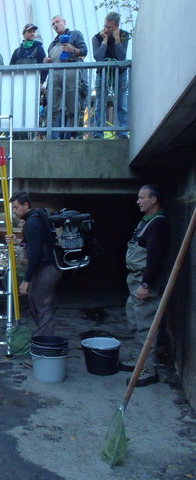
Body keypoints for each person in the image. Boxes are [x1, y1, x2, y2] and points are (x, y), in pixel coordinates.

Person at [122, 185, 169, 387]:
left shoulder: (158, 224)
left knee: (145, 326)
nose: (138, 201)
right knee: (134, 321)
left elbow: (155, 258)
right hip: (135, 279)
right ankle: (138, 361)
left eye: (142, 198)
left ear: (154, 200)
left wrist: (146, 284)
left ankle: (149, 369)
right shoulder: (146, 221)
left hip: (143, 281)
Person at [7, 191, 62, 336]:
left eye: (16, 207)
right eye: (13, 208)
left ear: (26, 205)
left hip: (47, 268)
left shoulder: (32, 222)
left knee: (42, 307)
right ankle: (44, 339)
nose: (14, 211)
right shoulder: (36, 218)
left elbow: (35, 254)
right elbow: (36, 243)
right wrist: (18, 241)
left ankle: (47, 346)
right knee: (33, 302)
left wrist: (26, 280)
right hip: (46, 267)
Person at [44, 15, 87, 140]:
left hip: (71, 71)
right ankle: (51, 137)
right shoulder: (52, 44)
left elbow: (84, 51)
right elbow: (50, 60)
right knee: (51, 106)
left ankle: (72, 136)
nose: (55, 25)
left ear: (64, 22)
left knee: (72, 105)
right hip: (55, 74)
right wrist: (45, 61)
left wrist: (73, 50)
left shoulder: (75, 35)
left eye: (57, 22)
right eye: (53, 24)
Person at [92, 12, 130, 139]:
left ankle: (122, 133)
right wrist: (105, 41)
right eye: (105, 26)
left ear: (117, 27)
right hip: (102, 74)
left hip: (120, 74)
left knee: (121, 104)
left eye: (110, 27)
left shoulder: (124, 35)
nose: (106, 29)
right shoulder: (97, 37)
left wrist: (117, 39)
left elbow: (121, 56)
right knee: (99, 104)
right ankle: (98, 133)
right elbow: (98, 57)